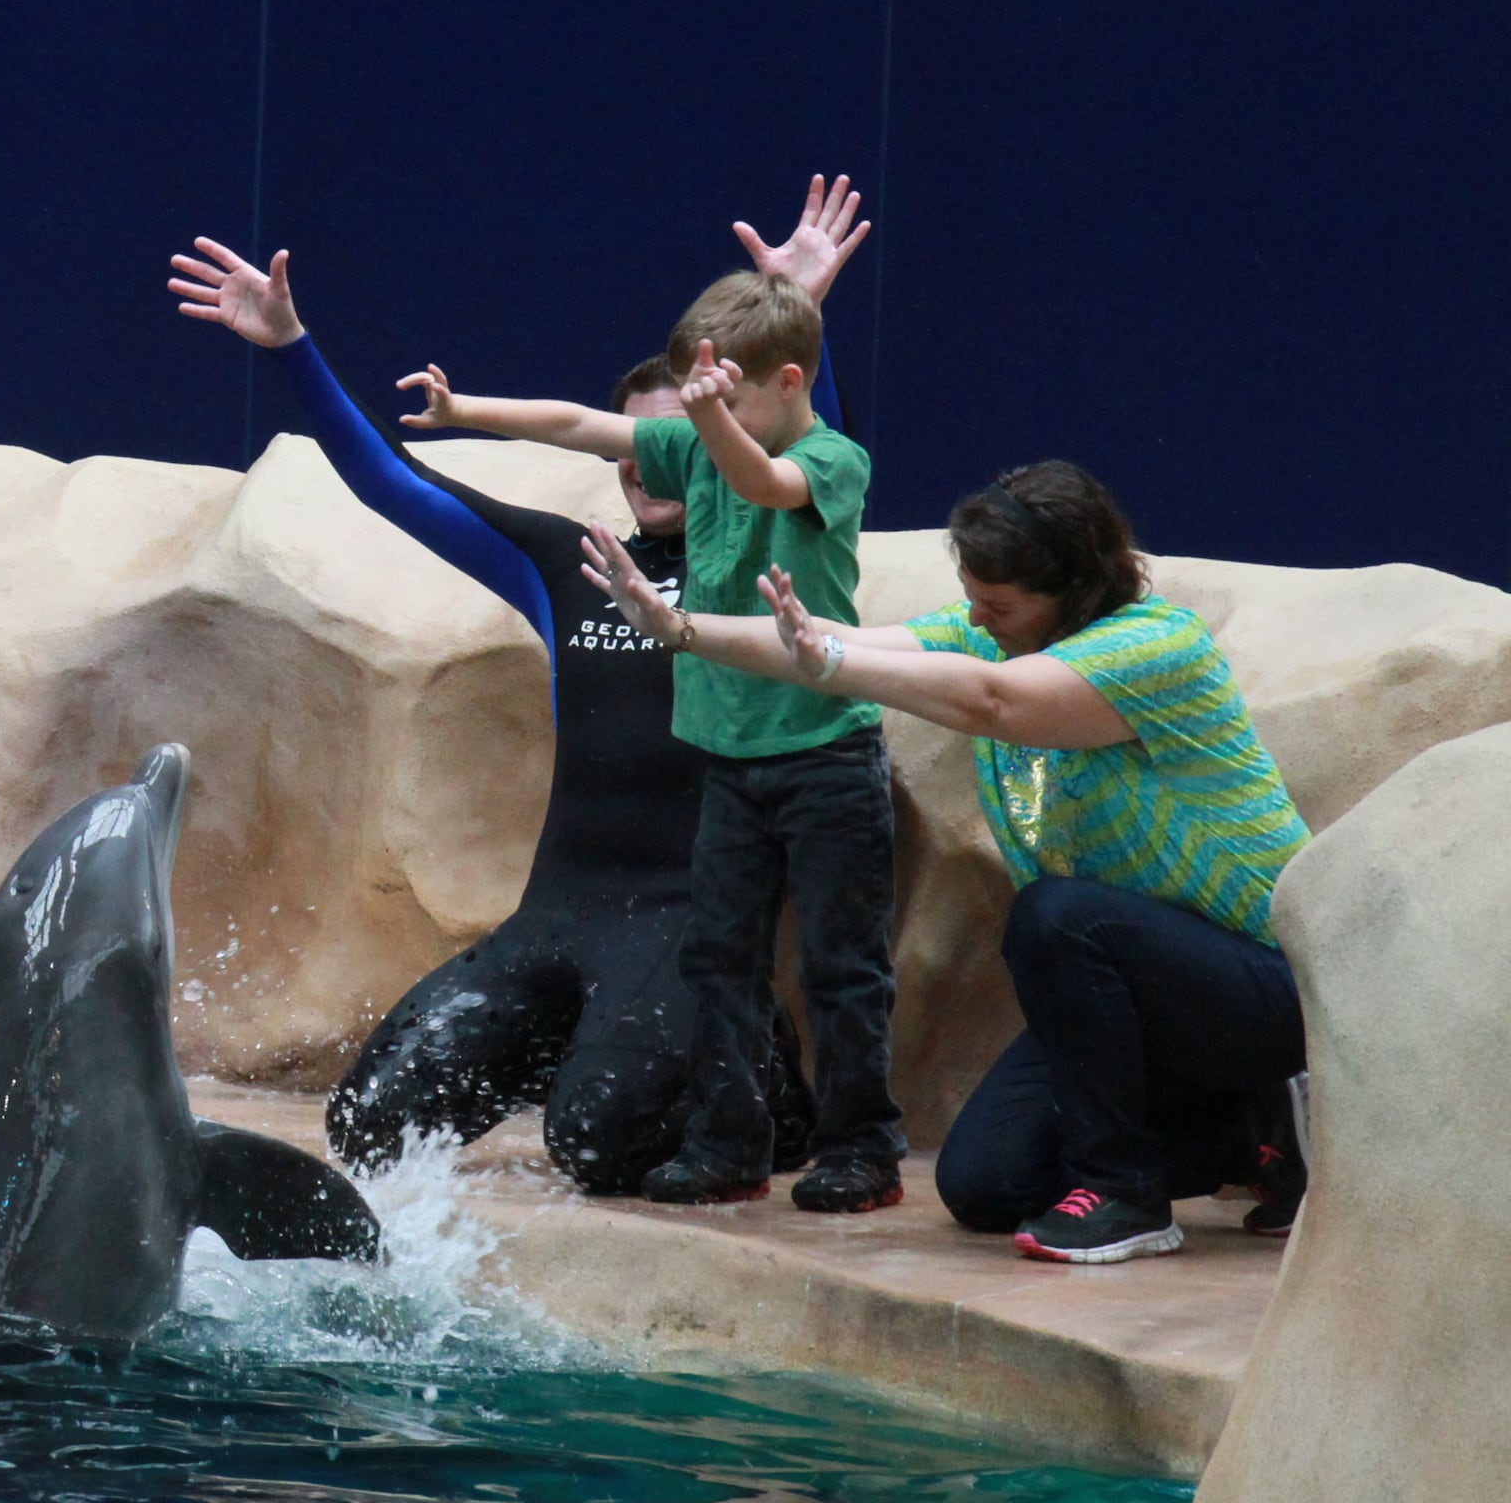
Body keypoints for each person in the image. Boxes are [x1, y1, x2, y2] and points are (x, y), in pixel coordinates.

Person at [167, 179, 865, 1194]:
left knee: (598, 1144)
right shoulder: (565, 563)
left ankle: (756, 1073)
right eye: (639, 445)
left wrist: (800, 312)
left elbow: (816, 452)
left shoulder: (770, 560)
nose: (651, 468)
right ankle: (598, 1047)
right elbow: (396, 483)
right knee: (371, 1124)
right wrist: (290, 349)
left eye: (686, 435)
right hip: (558, 917)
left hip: (687, 925)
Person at [581, 461, 1312, 1263]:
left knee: (1058, 916)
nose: (980, 620)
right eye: (974, 599)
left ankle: (1126, 1193)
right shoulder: (990, 633)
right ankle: (1253, 1134)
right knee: (987, 1185)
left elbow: (993, 699)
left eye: (999, 605)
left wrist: (828, 664)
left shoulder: (1157, 645)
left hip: (1276, 985)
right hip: (1150, 1003)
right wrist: (680, 628)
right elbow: (830, 640)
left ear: (1074, 588)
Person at [402, 272, 900, 1213]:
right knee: (718, 961)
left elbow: (762, 482)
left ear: (789, 383)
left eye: (730, 398)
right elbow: (579, 424)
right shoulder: (708, 437)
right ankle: (729, 1143)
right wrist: (464, 410)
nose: (710, 416)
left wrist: (709, 421)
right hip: (730, 763)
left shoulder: (832, 460)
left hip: (824, 758)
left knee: (843, 967)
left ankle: (860, 1150)